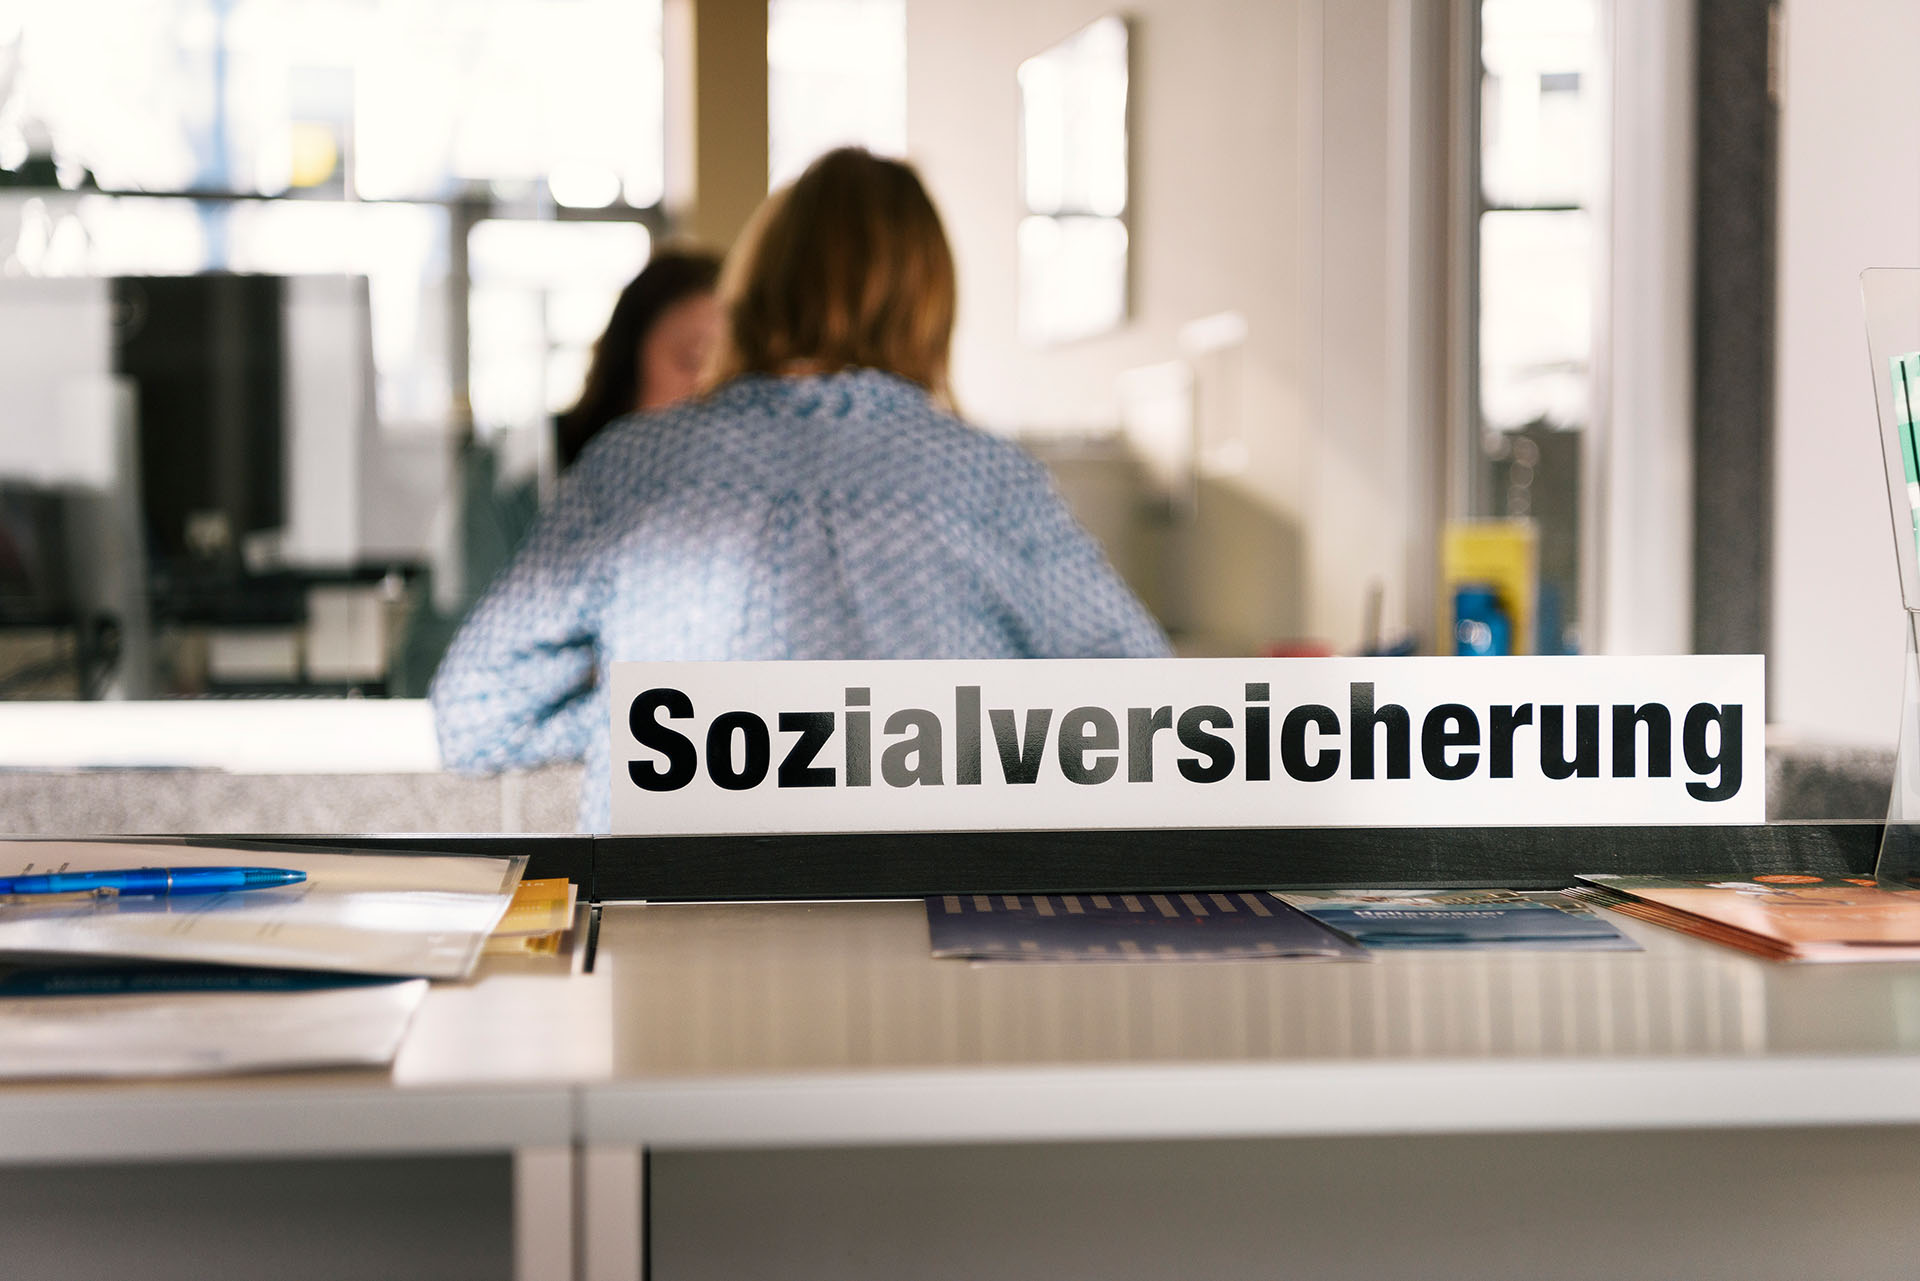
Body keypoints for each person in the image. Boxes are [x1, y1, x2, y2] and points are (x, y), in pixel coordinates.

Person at [430, 147, 1170, 831]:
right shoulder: (984, 479)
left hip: (678, 941)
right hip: (940, 937)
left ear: (756, 285)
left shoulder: (637, 467)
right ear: (930, 305)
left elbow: (474, 714)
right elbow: (1152, 718)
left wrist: (648, 721)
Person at [554, 248, 723, 468]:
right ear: (626, 360)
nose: (708, 388)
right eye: (691, 360)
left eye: (730, 371)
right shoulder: (548, 463)